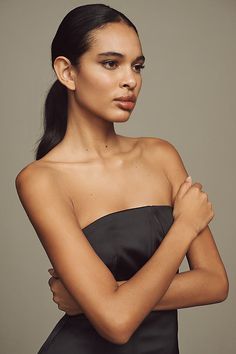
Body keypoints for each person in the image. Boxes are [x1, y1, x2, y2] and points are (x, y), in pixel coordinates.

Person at [15, 4, 229, 354]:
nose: (130, 79)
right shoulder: (41, 180)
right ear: (67, 72)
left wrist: (102, 300)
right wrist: (184, 227)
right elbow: (116, 324)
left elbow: (215, 283)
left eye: (137, 66)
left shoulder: (161, 155)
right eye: (111, 63)